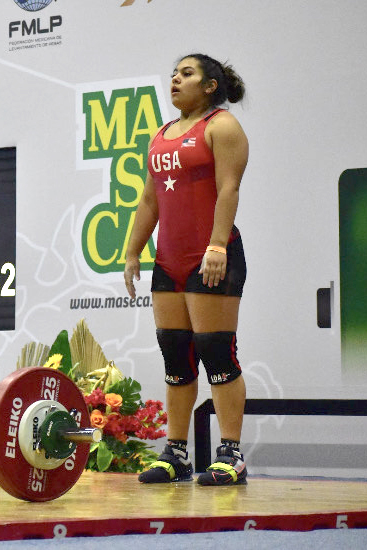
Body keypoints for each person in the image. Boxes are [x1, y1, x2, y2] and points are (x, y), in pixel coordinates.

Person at [124, 53, 249, 486]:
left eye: (187, 73)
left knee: (217, 352)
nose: (175, 80)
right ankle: (176, 454)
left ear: (211, 84)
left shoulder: (222, 127)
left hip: (211, 257)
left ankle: (230, 455)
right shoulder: (160, 135)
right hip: (168, 263)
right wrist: (132, 252)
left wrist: (217, 244)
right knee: (175, 357)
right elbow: (149, 200)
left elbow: (229, 188)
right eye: (173, 74)